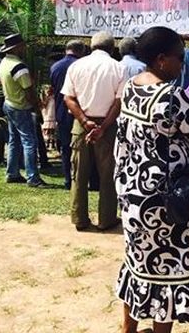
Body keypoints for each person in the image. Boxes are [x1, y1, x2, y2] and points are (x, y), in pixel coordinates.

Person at [114, 26, 189, 333]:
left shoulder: (131, 87)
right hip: (170, 203)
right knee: (168, 270)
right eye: (180, 57)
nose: (182, 64)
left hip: (135, 196)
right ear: (162, 60)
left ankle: (129, 328)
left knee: (138, 263)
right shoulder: (172, 97)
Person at [61, 31, 125, 231]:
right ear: (112, 48)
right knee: (108, 175)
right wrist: (103, 126)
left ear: (91, 46)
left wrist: (84, 120)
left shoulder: (76, 66)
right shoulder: (118, 67)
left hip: (81, 125)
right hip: (108, 126)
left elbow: (68, 98)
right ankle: (106, 219)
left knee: (79, 173)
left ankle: (79, 218)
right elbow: (119, 101)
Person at [0, 33, 47, 187]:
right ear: (17, 47)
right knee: (29, 142)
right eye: (22, 46)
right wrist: (37, 109)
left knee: (14, 140)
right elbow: (29, 91)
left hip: (9, 103)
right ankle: (33, 177)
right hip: (21, 106)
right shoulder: (19, 67)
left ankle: (12, 173)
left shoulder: (5, 62)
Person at [50, 39, 86, 190]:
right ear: (81, 51)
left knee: (66, 147)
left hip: (61, 111)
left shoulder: (55, 67)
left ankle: (68, 180)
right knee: (83, 148)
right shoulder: (83, 66)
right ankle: (83, 179)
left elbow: (52, 90)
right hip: (81, 111)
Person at [40, 85, 57, 151]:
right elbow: (43, 105)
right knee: (47, 130)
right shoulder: (46, 98)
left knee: (51, 130)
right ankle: (47, 143)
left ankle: (52, 142)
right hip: (47, 115)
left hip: (51, 115)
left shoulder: (53, 98)